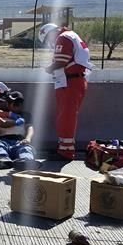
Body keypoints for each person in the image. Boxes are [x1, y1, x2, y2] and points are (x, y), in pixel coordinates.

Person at [41, 23, 93, 160]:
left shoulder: (62, 38)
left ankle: (66, 151)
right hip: (73, 80)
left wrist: (49, 69)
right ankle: (63, 148)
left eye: (48, 39)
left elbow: (61, 61)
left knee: (66, 117)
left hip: (70, 82)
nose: (50, 43)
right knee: (66, 116)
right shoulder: (71, 35)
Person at [0, 91, 41, 170]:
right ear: (8, 104)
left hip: (19, 140)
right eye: (15, 104)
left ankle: (26, 161)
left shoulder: (25, 115)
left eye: (20, 104)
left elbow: (30, 127)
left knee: (26, 148)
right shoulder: (1, 113)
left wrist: (28, 138)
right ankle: (2, 159)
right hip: (3, 139)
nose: (18, 107)